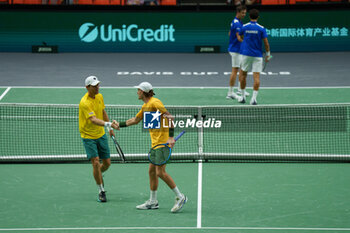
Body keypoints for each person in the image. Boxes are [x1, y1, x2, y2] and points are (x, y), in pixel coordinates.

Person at [115, 82, 187, 213]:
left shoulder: (155, 103)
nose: (137, 92)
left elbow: (170, 117)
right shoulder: (145, 106)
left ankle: (180, 196)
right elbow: (135, 120)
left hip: (163, 143)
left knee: (160, 172)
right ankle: (153, 201)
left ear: (143, 92)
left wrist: (171, 137)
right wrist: (118, 125)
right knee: (152, 172)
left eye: (138, 90)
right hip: (155, 144)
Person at [79, 75, 118, 203]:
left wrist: (109, 129)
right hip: (88, 136)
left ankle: (98, 175)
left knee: (107, 163)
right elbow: (93, 120)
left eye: (98, 85)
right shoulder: (84, 102)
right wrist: (109, 124)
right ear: (87, 87)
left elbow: (103, 112)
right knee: (95, 162)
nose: (97, 88)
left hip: (101, 134)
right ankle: (101, 190)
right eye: (94, 86)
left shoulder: (100, 97)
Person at [237, 9, 271, 105]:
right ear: (258, 17)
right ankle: (253, 99)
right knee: (256, 77)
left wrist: (245, 41)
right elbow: (266, 43)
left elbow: (240, 37)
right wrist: (268, 54)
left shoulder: (244, 27)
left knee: (243, 75)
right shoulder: (261, 28)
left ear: (249, 16)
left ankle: (243, 97)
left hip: (246, 54)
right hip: (257, 56)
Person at [226, 5, 249, 100]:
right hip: (235, 50)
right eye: (243, 13)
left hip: (237, 49)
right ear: (238, 12)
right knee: (235, 71)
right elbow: (239, 38)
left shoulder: (237, 21)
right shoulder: (237, 24)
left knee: (242, 70)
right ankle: (230, 93)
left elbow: (229, 33)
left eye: (245, 13)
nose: (244, 14)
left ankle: (240, 89)